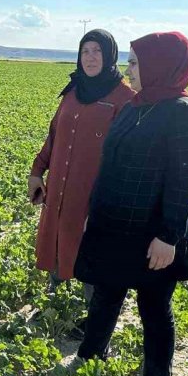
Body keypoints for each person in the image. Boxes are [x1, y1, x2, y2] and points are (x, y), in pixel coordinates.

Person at [74, 31, 188, 376]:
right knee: (105, 297)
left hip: (155, 236)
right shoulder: (134, 106)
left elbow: (184, 184)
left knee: (153, 308)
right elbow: (109, 166)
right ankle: (89, 358)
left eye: (135, 63)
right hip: (115, 227)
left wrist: (169, 237)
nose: (128, 70)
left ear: (159, 66)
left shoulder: (185, 116)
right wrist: (94, 215)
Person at [29, 29, 135, 319]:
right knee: (57, 241)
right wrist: (37, 171)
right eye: (85, 51)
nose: (90, 57)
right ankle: (55, 308)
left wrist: (109, 203)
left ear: (110, 55)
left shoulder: (125, 98)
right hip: (60, 188)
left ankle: (95, 319)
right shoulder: (73, 92)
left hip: (94, 194)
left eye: (97, 51)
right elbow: (54, 136)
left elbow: (126, 158)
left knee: (91, 252)